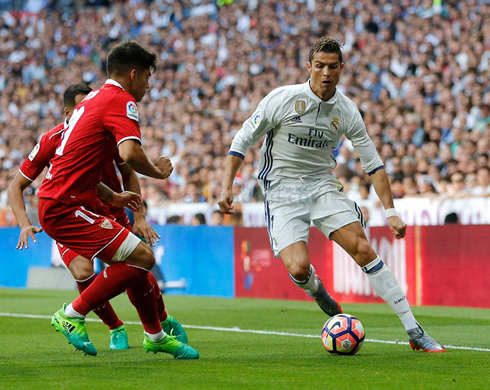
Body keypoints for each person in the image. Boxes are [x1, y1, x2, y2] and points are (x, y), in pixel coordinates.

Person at [218, 37, 445, 353]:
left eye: (332, 66)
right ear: (309, 67)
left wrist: (391, 211)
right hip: (281, 190)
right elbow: (241, 141)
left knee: (363, 248)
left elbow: (374, 165)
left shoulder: (346, 111)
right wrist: (228, 186)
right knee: (298, 268)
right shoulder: (281, 100)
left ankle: (415, 331)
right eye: (320, 66)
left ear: (341, 69)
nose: (326, 72)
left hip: (321, 185)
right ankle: (317, 290)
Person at [36, 41, 199, 358]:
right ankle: (73, 314)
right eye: (148, 79)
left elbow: (96, 164)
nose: (149, 87)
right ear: (134, 74)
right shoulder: (120, 100)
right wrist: (158, 172)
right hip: (67, 206)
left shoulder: (94, 98)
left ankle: (155, 333)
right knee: (143, 258)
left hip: (75, 201)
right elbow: (128, 153)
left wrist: (115, 196)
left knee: (135, 260)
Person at [8, 84, 187, 350]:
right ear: (68, 111)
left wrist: (136, 215)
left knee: (137, 265)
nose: (87, 111)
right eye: (81, 107)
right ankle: (115, 327)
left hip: (108, 211)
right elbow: (16, 186)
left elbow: (127, 172)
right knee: (84, 269)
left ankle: (159, 323)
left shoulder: (107, 133)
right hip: (68, 212)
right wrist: (23, 223)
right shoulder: (52, 139)